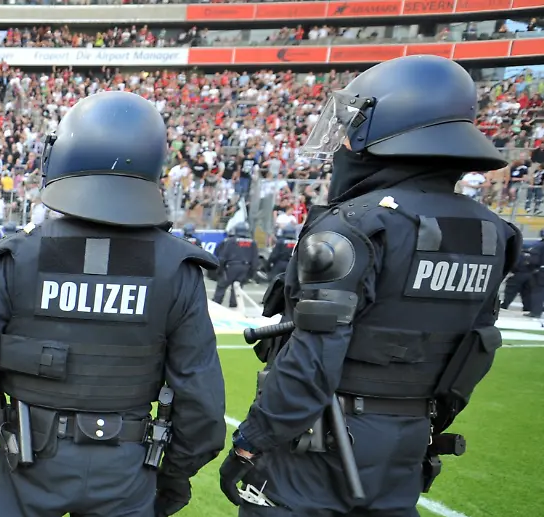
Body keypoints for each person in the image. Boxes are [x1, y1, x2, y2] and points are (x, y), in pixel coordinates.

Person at [219, 55, 522, 516]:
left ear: (387, 127)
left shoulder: (355, 225)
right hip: (409, 439)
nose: (343, 142)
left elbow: (311, 363)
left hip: (322, 447)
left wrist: (250, 443)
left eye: (351, 128)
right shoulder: (494, 231)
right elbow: (475, 350)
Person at [0, 90, 226, 517]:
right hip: (127, 470)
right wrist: (174, 474)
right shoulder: (177, 267)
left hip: (28, 461)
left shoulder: (20, 257)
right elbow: (202, 403)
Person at [212, 222, 258, 308]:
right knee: (237, 290)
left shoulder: (230, 241)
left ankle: (215, 306)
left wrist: (219, 270)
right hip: (245, 268)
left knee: (221, 287)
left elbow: (222, 257)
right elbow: (255, 260)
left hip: (230, 268)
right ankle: (233, 308)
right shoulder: (253, 242)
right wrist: (251, 274)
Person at [500, 235, 536, 313]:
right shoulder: (532, 254)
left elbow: (514, 264)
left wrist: (511, 271)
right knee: (526, 293)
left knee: (510, 291)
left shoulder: (518, 255)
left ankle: (505, 304)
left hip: (518, 274)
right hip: (529, 275)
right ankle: (527, 307)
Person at [523, 229, 544, 318]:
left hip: (541, 272)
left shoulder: (539, 246)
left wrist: (530, 267)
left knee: (538, 292)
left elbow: (534, 261)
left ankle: (536, 312)